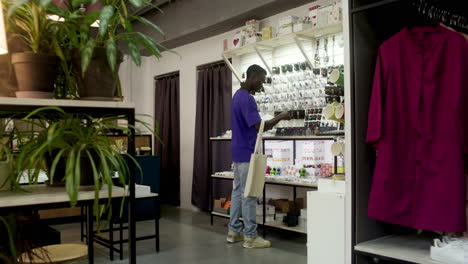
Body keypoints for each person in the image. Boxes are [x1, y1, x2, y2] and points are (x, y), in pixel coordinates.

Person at [227, 64, 291, 248]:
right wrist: (280, 117)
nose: (261, 86)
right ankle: (250, 237)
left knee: (238, 192)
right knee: (250, 195)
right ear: (253, 76)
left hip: (237, 151)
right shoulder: (247, 99)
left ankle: (233, 231)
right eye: (261, 81)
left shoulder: (236, 96)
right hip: (248, 152)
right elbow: (260, 127)